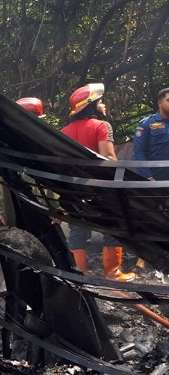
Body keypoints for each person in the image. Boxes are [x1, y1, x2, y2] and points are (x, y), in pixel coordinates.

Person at [60, 83, 135, 282]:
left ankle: (80, 275)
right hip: (100, 189)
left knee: (78, 229)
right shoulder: (102, 126)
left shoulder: (64, 131)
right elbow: (108, 159)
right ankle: (112, 273)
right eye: (101, 102)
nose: (104, 106)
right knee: (113, 227)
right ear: (92, 106)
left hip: (74, 190)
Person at [133, 87, 169, 181]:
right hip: (156, 180)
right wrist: (148, 177)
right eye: (168, 100)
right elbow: (139, 152)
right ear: (160, 103)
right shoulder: (146, 124)